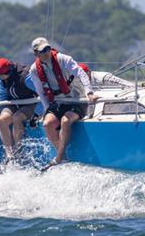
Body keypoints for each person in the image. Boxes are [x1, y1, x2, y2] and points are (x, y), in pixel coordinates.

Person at [28, 37, 98, 167]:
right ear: (36, 54)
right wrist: (47, 109)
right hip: (59, 102)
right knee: (47, 123)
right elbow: (41, 93)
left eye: (48, 48)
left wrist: (89, 92)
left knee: (65, 121)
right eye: (42, 51)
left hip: (76, 99)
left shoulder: (63, 59)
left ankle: (59, 157)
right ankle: (63, 156)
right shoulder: (34, 69)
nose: (46, 52)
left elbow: (81, 73)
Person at [0, 57, 36, 160]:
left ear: (8, 72)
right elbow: (3, 96)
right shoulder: (1, 78)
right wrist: (3, 110)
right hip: (14, 103)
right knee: (1, 120)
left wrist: (37, 114)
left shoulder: (26, 77)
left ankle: (18, 151)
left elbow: (41, 94)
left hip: (31, 103)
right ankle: (9, 154)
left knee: (17, 118)